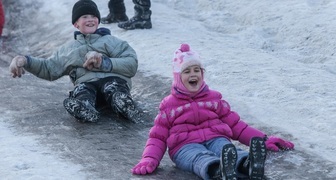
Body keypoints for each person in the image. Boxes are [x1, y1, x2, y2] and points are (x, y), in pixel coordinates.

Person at [131, 43, 295, 180]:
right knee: (199, 157)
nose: (193, 74)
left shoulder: (213, 99)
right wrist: (149, 159)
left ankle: (248, 165)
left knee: (225, 148)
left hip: (215, 138)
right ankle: (217, 170)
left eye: (197, 70)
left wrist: (263, 139)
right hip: (184, 147)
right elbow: (157, 137)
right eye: (187, 72)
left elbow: (236, 125)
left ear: (202, 74)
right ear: (178, 78)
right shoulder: (169, 105)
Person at [9, 0, 140, 123]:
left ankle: (123, 103)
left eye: (93, 16)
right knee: (83, 90)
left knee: (113, 86)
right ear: (75, 24)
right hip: (87, 83)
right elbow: (49, 68)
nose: (90, 19)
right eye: (84, 16)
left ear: (98, 21)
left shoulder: (111, 41)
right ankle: (84, 107)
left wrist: (104, 62)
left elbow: (131, 63)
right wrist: (25, 60)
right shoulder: (69, 49)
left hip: (112, 79)